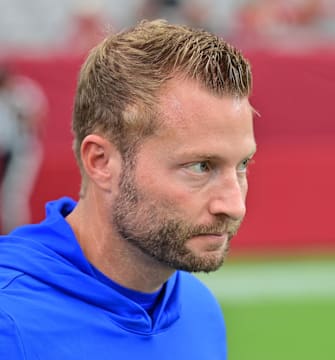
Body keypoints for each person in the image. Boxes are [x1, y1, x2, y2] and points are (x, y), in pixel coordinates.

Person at [0, 20, 256, 359]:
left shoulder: (199, 309)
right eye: (200, 166)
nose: (234, 205)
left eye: (242, 165)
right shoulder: (11, 321)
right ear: (102, 162)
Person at [0, 65, 47, 234]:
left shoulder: (23, 93)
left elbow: (35, 118)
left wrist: (19, 114)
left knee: (14, 196)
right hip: (6, 150)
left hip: (22, 150)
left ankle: (15, 232)